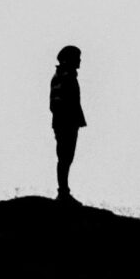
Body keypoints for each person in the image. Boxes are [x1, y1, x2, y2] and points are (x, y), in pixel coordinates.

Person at [50, 44, 86, 202]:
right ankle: (63, 192)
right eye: (77, 58)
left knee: (66, 157)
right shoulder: (64, 77)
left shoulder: (64, 76)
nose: (80, 61)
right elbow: (57, 103)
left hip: (66, 122)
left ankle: (64, 190)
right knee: (65, 157)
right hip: (65, 123)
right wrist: (68, 119)